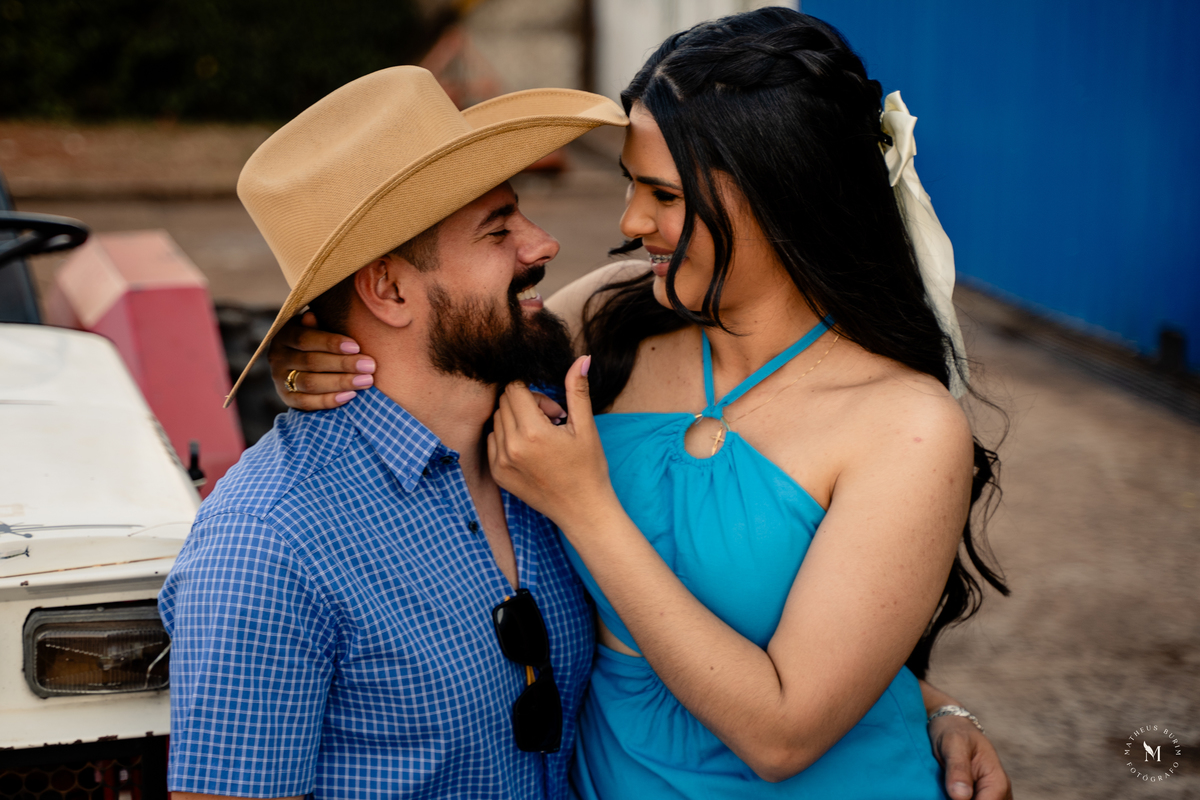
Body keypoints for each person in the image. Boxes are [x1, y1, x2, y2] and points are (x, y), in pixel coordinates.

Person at [270, 10, 1013, 800]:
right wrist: (306, 351)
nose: (629, 222)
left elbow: (785, 731)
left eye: (663, 194)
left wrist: (587, 509)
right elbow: (432, 343)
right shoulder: (611, 319)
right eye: (631, 182)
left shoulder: (906, 426)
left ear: (779, 195)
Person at [158, 66, 630, 799]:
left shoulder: (543, 430)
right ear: (389, 289)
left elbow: (645, 292)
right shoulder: (270, 545)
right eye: (499, 229)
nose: (543, 245)